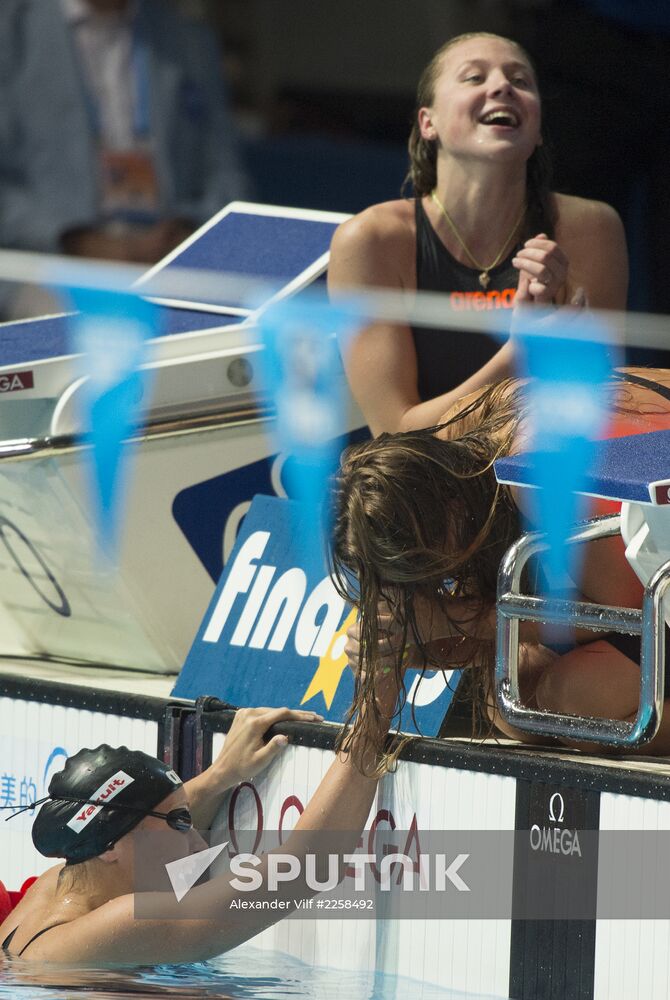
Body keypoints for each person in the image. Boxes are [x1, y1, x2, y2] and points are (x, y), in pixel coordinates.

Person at [329, 366, 670, 762]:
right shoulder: (457, 446)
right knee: (512, 691)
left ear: (447, 512)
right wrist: (406, 643)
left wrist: (458, 617)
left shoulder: (536, 472)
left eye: (424, 569)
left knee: (578, 706)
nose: (438, 579)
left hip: (649, 592)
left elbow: (635, 612)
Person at [327, 32, 628, 437]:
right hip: (424, 489)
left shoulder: (590, 229)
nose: (502, 86)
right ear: (427, 122)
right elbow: (395, 435)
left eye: (520, 81)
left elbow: (597, 413)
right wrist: (521, 352)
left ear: (538, 129)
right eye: (473, 77)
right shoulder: (372, 241)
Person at [0, 690, 401, 964]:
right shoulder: (122, 923)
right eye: (180, 822)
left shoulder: (53, 884)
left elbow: (131, 818)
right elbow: (305, 866)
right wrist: (377, 701)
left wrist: (221, 774)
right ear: (110, 846)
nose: (197, 843)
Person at [0, 0, 250, 267]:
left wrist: (186, 230)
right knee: (75, 307)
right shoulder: (12, 31)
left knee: (249, 301)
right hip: (49, 260)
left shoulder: (187, 38)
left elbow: (227, 174)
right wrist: (74, 239)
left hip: (169, 256)